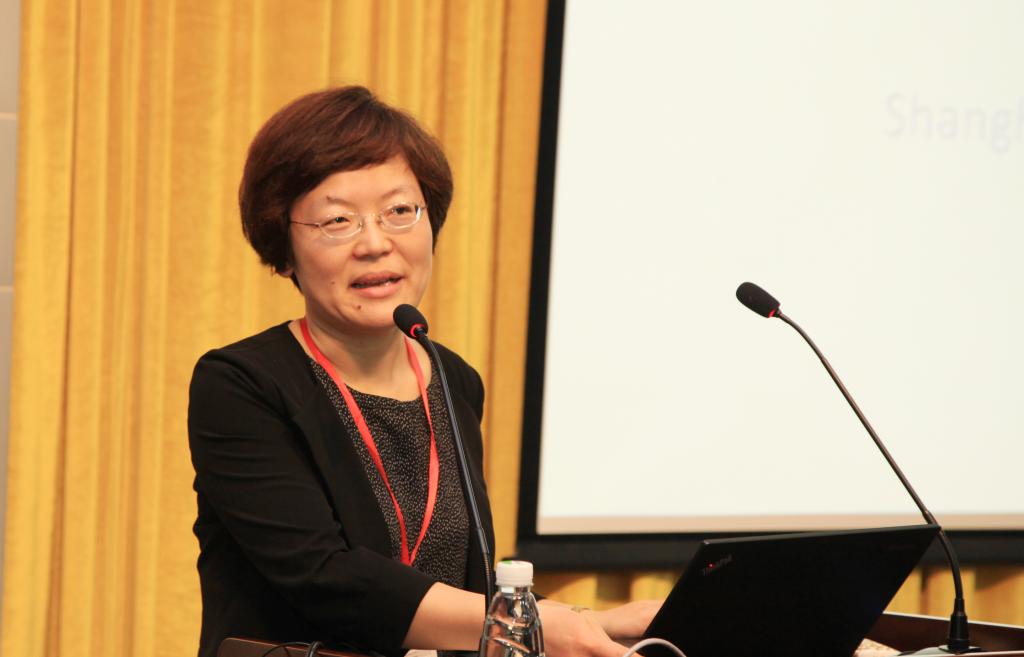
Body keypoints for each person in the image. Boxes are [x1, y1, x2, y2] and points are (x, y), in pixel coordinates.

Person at [188, 86, 657, 657]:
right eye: (338, 220)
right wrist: (535, 624)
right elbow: (325, 579)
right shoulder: (241, 385)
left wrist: (597, 621)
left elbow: (464, 591)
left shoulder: (452, 379)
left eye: (400, 212)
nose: (375, 243)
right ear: (283, 249)